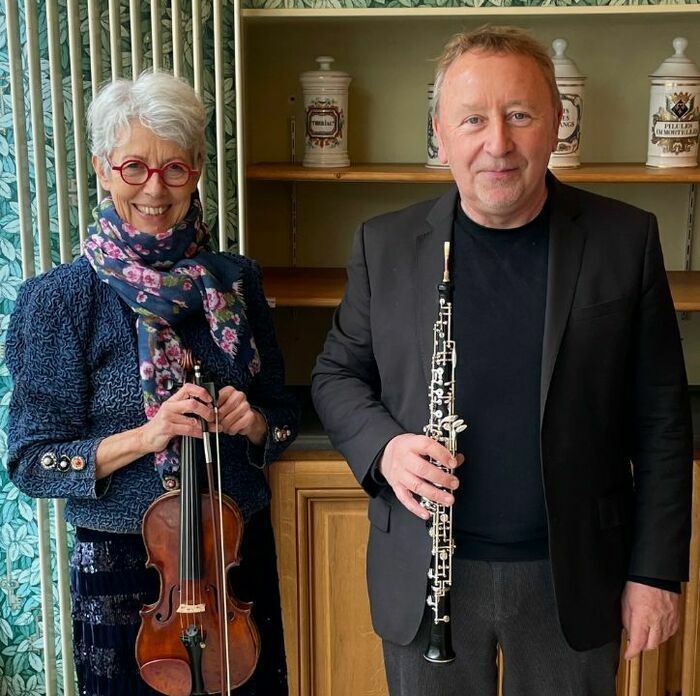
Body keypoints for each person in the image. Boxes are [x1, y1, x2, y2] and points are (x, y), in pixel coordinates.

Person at [311, 25, 693, 696]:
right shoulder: (385, 244)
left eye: (520, 115)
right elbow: (336, 374)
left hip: (570, 575)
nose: (498, 143)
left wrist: (656, 574)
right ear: (441, 133)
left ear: (556, 123)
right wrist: (386, 450)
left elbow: (662, 418)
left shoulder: (624, 240)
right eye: (473, 119)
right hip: (423, 575)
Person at [6, 71, 298, 696]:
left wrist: (256, 423)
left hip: (232, 562)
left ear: (196, 170)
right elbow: (32, 462)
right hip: (122, 569)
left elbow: (282, 413)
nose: (155, 188)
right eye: (134, 166)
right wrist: (147, 436)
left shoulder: (236, 284)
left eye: (175, 169)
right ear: (103, 170)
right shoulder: (59, 299)